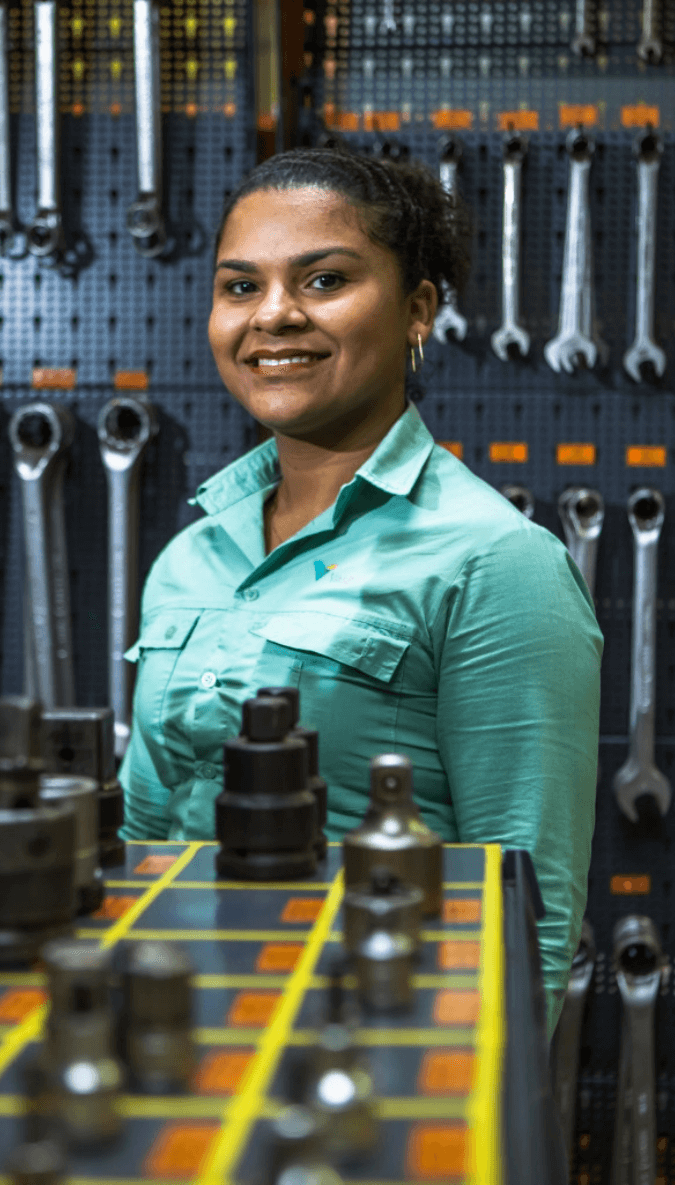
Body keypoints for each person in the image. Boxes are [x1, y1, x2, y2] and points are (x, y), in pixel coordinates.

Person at [118, 143, 603, 1037]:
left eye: (325, 279)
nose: (274, 316)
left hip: (370, 1050)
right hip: (171, 1040)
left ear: (418, 309)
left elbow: (528, 913)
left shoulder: (497, 562)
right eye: (239, 287)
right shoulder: (191, 557)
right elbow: (140, 847)